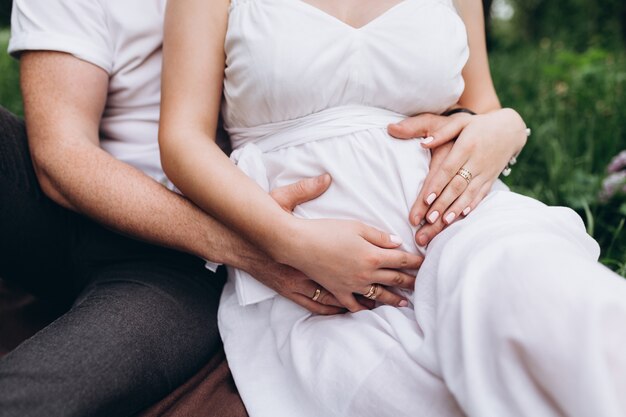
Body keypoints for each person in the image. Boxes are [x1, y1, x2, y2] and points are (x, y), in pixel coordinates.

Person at [0, 0, 512, 415]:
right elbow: (61, 159)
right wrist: (259, 248)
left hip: (174, 262)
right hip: (135, 220)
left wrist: (500, 124)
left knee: (49, 391)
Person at [158, 0, 626, 416]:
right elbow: (182, 140)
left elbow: (482, 107)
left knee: (554, 302)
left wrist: (506, 127)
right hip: (317, 288)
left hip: (458, 225)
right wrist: (289, 241)